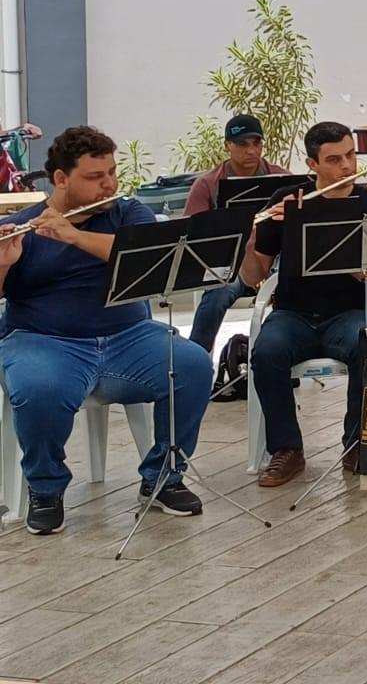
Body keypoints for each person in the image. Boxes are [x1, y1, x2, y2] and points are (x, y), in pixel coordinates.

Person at [0, 127, 212, 533]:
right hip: (43, 340)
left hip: (128, 338)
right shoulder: (23, 225)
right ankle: (46, 489)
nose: (109, 184)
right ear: (61, 179)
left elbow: (145, 254)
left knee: (193, 364)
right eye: (95, 177)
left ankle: (163, 478)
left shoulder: (128, 214)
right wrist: (5, 263)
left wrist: (73, 235)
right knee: (39, 388)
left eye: (111, 173)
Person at [244, 121, 367, 486]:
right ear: (313, 165)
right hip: (292, 314)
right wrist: (254, 231)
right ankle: (287, 450)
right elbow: (252, 277)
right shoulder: (288, 200)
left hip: (350, 312)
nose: (346, 167)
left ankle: (360, 446)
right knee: (266, 352)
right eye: (334, 159)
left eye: (350, 155)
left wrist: (366, 268)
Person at [183, 114, 288, 355]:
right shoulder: (208, 184)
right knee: (217, 295)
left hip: (275, 261)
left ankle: (277, 360)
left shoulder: (282, 178)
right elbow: (191, 233)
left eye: (257, 143)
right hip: (232, 266)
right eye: (242, 144)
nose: (252, 150)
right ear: (227, 145)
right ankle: (195, 361)